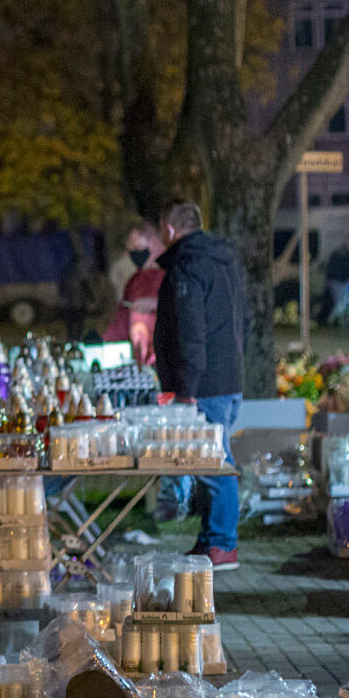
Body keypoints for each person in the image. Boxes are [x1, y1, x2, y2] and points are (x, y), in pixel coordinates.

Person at [152, 201, 244, 571]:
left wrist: (187, 388)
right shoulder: (221, 260)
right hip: (226, 375)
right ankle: (211, 540)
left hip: (205, 383)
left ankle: (222, 544)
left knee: (215, 462)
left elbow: (190, 329)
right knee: (211, 460)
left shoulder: (187, 264)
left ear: (170, 229)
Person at [103, 225, 163, 365]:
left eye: (137, 249)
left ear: (153, 242)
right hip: (144, 365)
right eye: (130, 251)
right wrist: (103, 343)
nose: (133, 255)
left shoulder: (175, 276)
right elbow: (121, 323)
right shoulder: (135, 280)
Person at [323, 237, 349, 326]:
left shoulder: (341, 253)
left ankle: (335, 320)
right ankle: (332, 321)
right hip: (339, 281)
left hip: (338, 281)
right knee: (341, 302)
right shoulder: (345, 255)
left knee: (341, 302)